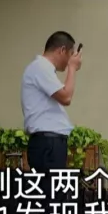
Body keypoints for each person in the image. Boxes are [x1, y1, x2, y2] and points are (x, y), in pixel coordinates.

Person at [21, 31, 82, 172]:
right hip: (48, 143)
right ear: (62, 50)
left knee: (51, 185)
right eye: (70, 54)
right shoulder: (40, 67)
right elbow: (66, 97)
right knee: (50, 185)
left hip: (48, 143)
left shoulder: (42, 69)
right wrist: (72, 68)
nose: (69, 60)